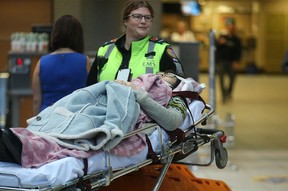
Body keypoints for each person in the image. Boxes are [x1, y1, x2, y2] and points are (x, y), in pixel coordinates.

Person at [0, 72, 204, 168]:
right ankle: (18, 139)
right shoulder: (138, 81)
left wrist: (138, 94)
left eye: (167, 75)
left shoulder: (176, 98)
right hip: (104, 102)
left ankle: (16, 145)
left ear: (176, 84)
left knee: (66, 140)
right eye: (159, 73)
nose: (159, 75)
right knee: (65, 115)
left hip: (123, 111)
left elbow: (172, 122)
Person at [86, 0, 184, 86]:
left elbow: (179, 80)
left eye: (148, 17)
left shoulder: (161, 49)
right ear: (125, 21)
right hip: (105, 106)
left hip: (145, 106)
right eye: (137, 17)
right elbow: (90, 88)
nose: (143, 21)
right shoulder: (106, 50)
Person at [32, 15, 91, 115]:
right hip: (75, 117)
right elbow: (90, 95)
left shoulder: (42, 62)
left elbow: (36, 100)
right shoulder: (84, 61)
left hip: (48, 117)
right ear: (77, 36)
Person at [216, 17, 242, 103]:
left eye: (232, 26)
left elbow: (239, 51)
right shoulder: (222, 37)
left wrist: (237, 61)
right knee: (221, 78)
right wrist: (220, 43)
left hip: (232, 61)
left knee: (232, 78)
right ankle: (224, 95)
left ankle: (229, 92)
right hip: (222, 61)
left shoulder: (236, 39)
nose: (230, 28)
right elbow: (217, 48)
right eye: (229, 26)